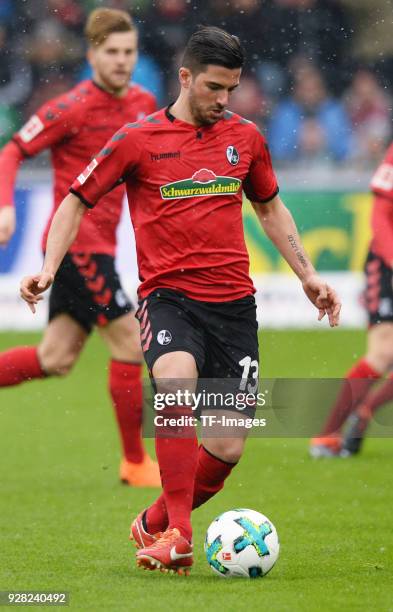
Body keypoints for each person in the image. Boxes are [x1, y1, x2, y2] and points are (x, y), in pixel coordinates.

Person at [20, 26, 341, 574]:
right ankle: (180, 536)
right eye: (214, 87)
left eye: (231, 90)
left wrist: (308, 274)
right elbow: (76, 201)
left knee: (227, 447)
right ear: (185, 77)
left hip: (235, 306)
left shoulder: (246, 137)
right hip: (169, 298)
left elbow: (270, 208)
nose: (223, 100)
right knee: (173, 382)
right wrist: (50, 267)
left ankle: (153, 520)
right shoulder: (137, 139)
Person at [0, 8, 160, 487]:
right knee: (132, 341)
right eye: (111, 52)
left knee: (56, 358)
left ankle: (134, 462)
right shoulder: (71, 106)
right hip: (76, 246)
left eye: (129, 52)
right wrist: (6, 206)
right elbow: (12, 151)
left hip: (103, 248)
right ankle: (134, 463)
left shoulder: (144, 102)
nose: (121, 61)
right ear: (91, 54)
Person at [310, 141, 393, 458]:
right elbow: (381, 216)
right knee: (384, 352)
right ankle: (325, 436)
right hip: (387, 262)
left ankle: (365, 411)